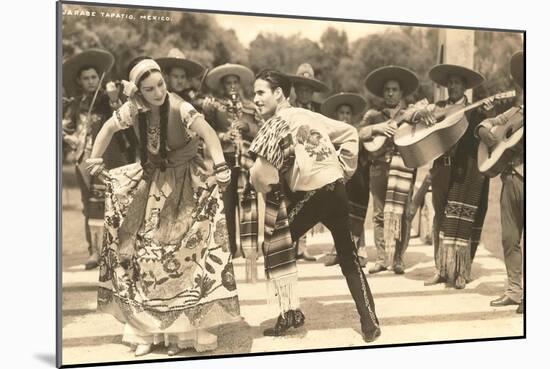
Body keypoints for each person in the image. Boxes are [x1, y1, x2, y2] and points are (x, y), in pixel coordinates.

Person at [85, 57, 241, 357]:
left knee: (186, 254)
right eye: (149, 88)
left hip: (187, 181)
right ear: (139, 92)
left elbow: (208, 134)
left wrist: (220, 165)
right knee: (146, 253)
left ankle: (185, 332)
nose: (158, 92)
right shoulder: (133, 109)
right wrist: (94, 158)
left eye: (160, 85)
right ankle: (147, 330)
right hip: (151, 182)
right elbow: (106, 129)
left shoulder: (181, 107)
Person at [248, 70, 380, 343]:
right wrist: (343, 170)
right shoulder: (308, 115)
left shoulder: (276, 123)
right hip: (336, 189)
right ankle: (369, 321)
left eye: (260, 92)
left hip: (314, 194)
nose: (255, 99)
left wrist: (267, 187)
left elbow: (260, 174)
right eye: (255, 93)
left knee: (274, 246)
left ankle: (290, 315)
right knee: (348, 256)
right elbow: (350, 133)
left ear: (279, 93)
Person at [419, 64, 491, 289]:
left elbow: (485, 136)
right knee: (439, 219)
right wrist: (422, 115)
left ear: (465, 87)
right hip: (441, 169)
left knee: (463, 219)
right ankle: (440, 269)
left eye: (457, 82)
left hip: (463, 172)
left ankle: (461, 271)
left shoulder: (474, 110)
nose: (452, 86)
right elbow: (419, 125)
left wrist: (488, 115)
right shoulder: (437, 108)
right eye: (450, 82)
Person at [62, 48, 136, 270]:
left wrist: (114, 96)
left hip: (108, 158)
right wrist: (70, 137)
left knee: (112, 203)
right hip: (83, 159)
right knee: (89, 206)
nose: (91, 81)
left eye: (94, 77)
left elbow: (120, 114)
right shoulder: (75, 104)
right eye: (86, 78)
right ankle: (93, 251)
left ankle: (115, 249)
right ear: (80, 81)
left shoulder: (107, 99)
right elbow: (65, 127)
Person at [357, 66, 419, 275]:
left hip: (403, 170)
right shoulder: (374, 115)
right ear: (382, 93)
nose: (391, 93)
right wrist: (377, 128)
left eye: (394, 89)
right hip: (379, 168)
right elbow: (358, 133)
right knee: (379, 214)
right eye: (387, 90)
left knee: (403, 215)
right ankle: (383, 258)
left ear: (401, 93)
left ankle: (399, 258)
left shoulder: (410, 114)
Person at [476, 51, 524, 313]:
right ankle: (514, 291)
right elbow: (485, 124)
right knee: (509, 238)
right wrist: (495, 140)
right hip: (510, 180)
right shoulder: (515, 111)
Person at [201, 63, 262, 259]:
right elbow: (206, 131)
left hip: (246, 160)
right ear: (223, 85)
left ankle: (249, 247)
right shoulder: (215, 105)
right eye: (228, 83)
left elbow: (261, 131)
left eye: (235, 82)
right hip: (225, 158)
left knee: (248, 203)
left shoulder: (251, 107)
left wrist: (247, 127)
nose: (233, 86)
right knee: (227, 204)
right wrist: (222, 136)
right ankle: (230, 248)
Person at [320, 92, 369, 267]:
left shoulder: (356, 132)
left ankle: (360, 251)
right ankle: (339, 250)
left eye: (348, 113)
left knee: (356, 214)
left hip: (357, 178)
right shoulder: (329, 134)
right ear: (336, 115)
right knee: (338, 214)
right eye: (342, 113)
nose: (345, 116)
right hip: (337, 177)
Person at [289, 62, 331, 260]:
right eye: (301, 89)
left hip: (313, 161)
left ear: (313, 91)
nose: (304, 93)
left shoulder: (320, 109)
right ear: (295, 89)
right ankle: (289, 243)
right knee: (291, 202)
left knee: (307, 201)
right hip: (292, 161)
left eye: (308, 89)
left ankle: (302, 245)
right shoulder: (289, 109)